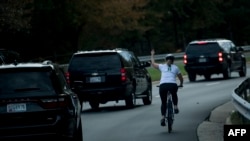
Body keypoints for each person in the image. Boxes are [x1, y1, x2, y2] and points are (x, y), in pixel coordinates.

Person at [150, 49, 183, 126]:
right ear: (173, 60)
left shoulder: (161, 66)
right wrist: (181, 83)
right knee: (174, 94)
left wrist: (152, 55)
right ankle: (175, 106)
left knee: (163, 102)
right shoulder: (176, 67)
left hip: (163, 85)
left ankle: (163, 117)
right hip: (172, 85)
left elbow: (153, 63)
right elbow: (181, 78)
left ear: (165, 60)